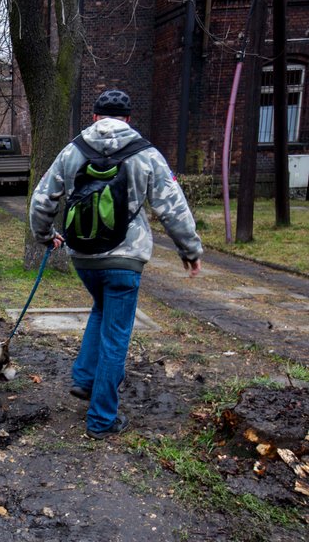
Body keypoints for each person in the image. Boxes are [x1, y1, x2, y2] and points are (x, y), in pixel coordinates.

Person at [28, 89, 203, 440]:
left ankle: (84, 380)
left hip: (84, 258)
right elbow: (172, 205)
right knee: (116, 337)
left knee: (101, 308)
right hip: (126, 258)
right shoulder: (147, 153)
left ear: (94, 117)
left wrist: (45, 236)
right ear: (127, 119)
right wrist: (190, 249)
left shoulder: (73, 150)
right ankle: (102, 419)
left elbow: (42, 198)